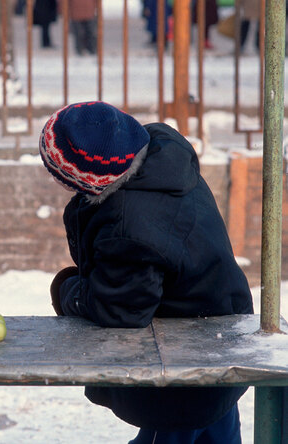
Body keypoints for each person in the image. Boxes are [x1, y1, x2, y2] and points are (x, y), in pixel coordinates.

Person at [39, 101, 253, 444]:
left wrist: (68, 290)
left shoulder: (129, 227)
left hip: (182, 372)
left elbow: (120, 309)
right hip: (220, 335)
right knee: (215, 428)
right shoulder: (163, 163)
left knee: (178, 428)